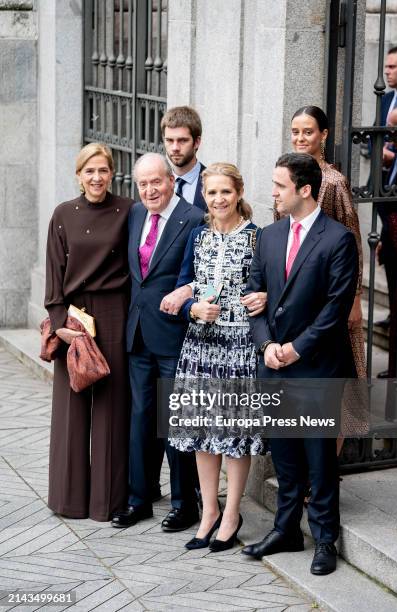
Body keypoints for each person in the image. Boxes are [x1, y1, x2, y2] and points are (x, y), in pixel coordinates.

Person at [242, 153, 358, 575]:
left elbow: (335, 309)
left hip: (316, 367)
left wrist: (295, 349)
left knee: (319, 460)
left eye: (279, 185)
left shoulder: (338, 239)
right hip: (273, 363)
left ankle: (325, 538)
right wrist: (267, 344)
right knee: (286, 457)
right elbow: (254, 297)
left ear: (304, 190)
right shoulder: (269, 237)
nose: (272, 192)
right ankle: (286, 530)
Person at [168, 163, 265, 552]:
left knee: (234, 436)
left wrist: (266, 298)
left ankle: (232, 513)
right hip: (200, 345)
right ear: (204, 196)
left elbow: (271, 286)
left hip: (240, 347)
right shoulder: (197, 236)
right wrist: (192, 306)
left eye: (225, 192)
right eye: (211, 193)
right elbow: (182, 284)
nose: (219, 199)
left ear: (239, 192)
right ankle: (209, 510)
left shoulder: (259, 237)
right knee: (202, 432)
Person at [111, 153, 204, 531]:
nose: (150, 190)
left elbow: (205, 276)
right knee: (140, 418)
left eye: (156, 182)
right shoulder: (135, 214)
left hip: (174, 336)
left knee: (174, 421)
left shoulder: (194, 220)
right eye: (143, 184)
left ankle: (184, 504)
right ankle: (140, 499)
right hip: (137, 335)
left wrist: (186, 293)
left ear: (170, 181)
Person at [45, 142, 133, 521]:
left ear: (112, 172)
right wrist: (60, 321)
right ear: (78, 175)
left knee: (112, 408)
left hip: (115, 310)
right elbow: (53, 274)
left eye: (103, 170)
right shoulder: (63, 214)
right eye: (89, 171)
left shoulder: (129, 210)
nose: (97, 177)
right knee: (71, 406)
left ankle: (107, 503)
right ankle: (69, 499)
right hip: (74, 317)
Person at [289, 105, 366, 451]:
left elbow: (352, 239)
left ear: (324, 135)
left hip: (330, 296)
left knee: (335, 386)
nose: (301, 138)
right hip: (296, 296)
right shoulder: (288, 174)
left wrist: (355, 298)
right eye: (296, 131)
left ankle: (326, 470)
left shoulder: (333, 182)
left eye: (308, 131)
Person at [375, 46, 397, 335]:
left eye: (393, 67)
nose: (387, 71)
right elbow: (369, 138)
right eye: (386, 67)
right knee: (389, 257)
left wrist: (395, 153)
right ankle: (393, 315)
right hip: (385, 189)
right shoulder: (384, 100)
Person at [161, 106, 207, 210]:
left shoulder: (213, 182)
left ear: (196, 142)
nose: (175, 148)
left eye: (182, 140)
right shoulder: (158, 182)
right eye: (169, 140)